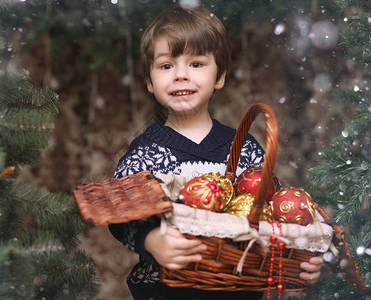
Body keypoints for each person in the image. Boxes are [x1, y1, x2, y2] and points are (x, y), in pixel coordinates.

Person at [109, 4, 322, 300]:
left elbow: (276, 214)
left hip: (239, 287)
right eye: (166, 65)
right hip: (166, 290)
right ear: (149, 81)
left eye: (196, 64)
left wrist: (302, 255)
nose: (181, 75)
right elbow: (121, 214)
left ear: (219, 76)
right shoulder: (145, 153)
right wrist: (152, 240)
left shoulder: (244, 148)